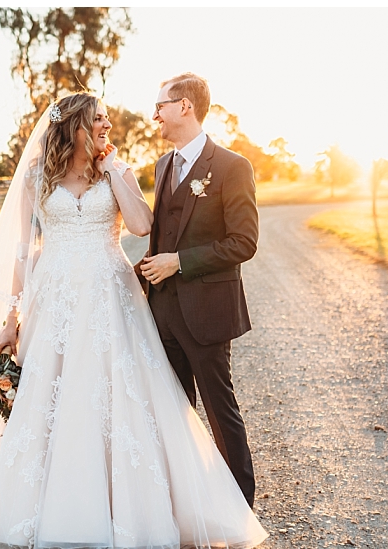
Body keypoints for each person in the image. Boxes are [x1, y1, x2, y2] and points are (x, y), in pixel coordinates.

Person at [0, 92, 267, 549]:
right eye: (99, 118)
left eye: (106, 118)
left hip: (112, 294)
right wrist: (11, 319)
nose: (108, 124)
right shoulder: (38, 176)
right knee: (56, 399)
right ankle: (58, 512)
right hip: (56, 299)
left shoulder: (115, 171)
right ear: (76, 125)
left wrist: (116, 171)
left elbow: (142, 225)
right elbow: (22, 252)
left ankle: (137, 509)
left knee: (124, 397)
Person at [138, 72, 259, 507]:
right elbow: (163, 237)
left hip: (207, 311)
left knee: (220, 411)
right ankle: (187, 505)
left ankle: (240, 507)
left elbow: (243, 242)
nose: (155, 116)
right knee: (173, 412)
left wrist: (180, 262)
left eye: (161, 106)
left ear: (185, 107)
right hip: (162, 313)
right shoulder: (161, 166)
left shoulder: (231, 166)